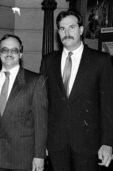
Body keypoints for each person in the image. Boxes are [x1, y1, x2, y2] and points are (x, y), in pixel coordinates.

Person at [40, 10, 113, 171]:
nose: (66, 32)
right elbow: (42, 105)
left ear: (81, 30)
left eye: (71, 27)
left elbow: (108, 106)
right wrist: (41, 143)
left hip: (89, 143)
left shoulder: (101, 61)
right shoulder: (48, 61)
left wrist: (107, 143)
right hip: (56, 143)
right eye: (62, 29)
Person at [0, 34, 48, 171]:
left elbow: (41, 122)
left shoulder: (35, 81)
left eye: (14, 50)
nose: (9, 53)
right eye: (4, 50)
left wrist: (39, 155)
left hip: (23, 158)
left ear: (20, 54)